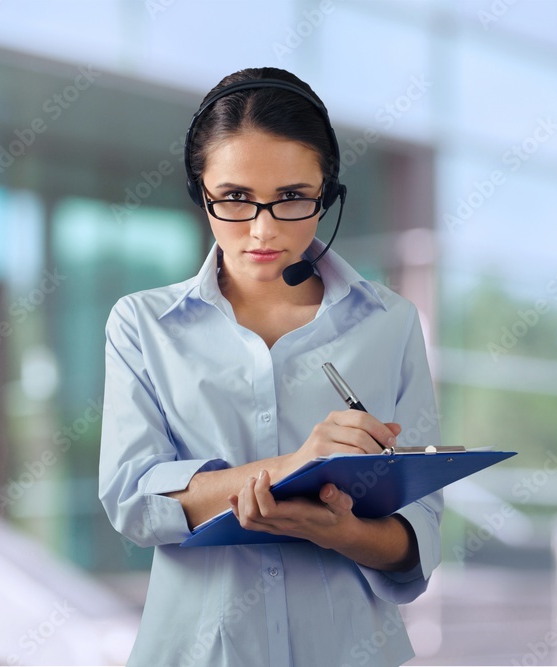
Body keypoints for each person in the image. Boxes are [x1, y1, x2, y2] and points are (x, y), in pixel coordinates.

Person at [98, 66, 442, 667]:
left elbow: (420, 531)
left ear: (326, 195)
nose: (262, 230)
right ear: (199, 192)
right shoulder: (142, 324)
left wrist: (347, 533)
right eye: (233, 198)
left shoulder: (391, 323)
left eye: (291, 198)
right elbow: (133, 497)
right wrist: (291, 468)